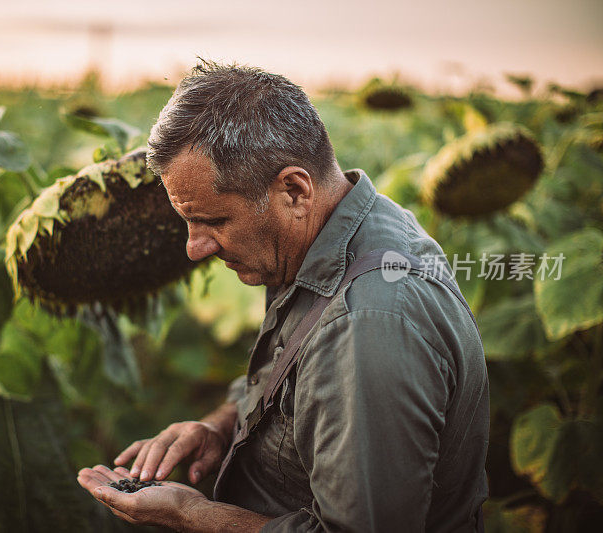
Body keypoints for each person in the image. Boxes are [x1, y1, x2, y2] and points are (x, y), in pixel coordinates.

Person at [77, 61, 489, 532]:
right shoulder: (333, 233)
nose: (194, 248)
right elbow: (290, 376)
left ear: (293, 189)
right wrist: (218, 427)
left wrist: (190, 514)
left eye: (214, 221)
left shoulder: (367, 324)